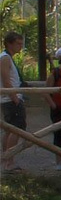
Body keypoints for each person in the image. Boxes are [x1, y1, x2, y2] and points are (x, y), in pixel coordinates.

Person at [1, 32, 26, 171]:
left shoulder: (8, 58)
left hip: (10, 98)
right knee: (15, 129)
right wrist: (15, 98)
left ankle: (6, 159)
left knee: (9, 130)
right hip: (10, 99)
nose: (20, 46)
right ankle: (9, 161)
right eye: (18, 43)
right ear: (9, 43)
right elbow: (6, 81)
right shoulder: (4, 58)